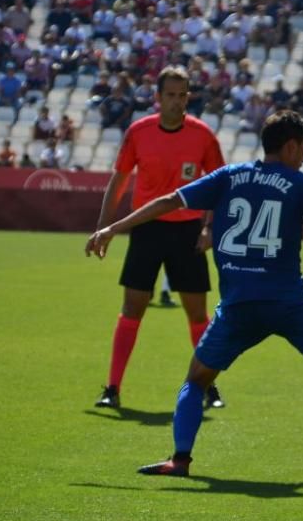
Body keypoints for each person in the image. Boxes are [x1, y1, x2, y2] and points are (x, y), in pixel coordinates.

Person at [85, 110, 303, 476]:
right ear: (291, 146)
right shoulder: (301, 184)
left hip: (237, 308)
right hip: (291, 303)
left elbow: (168, 201)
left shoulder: (230, 177)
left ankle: (179, 460)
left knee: (196, 381)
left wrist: (111, 228)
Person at [92, 66, 226, 411]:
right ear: (158, 97)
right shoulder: (139, 131)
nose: (177, 101)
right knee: (133, 307)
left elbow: (219, 188)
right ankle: (112, 387)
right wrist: (104, 228)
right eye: (170, 95)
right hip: (147, 230)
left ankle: (209, 388)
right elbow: (119, 181)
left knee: (197, 314)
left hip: (188, 231)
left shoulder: (203, 135)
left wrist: (210, 229)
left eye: (183, 95)